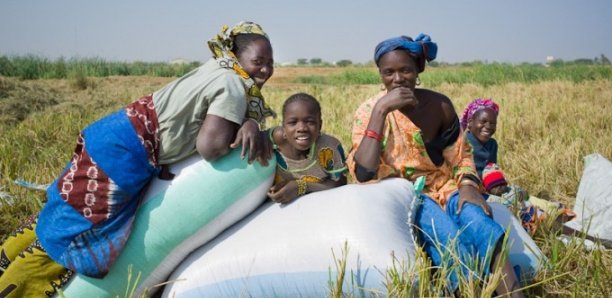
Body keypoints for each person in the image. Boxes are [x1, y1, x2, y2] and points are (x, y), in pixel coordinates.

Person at [0, 21, 275, 297]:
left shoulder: (219, 67)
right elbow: (210, 147)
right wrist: (248, 127)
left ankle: (5, 257)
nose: (265, 69)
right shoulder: (233, 85)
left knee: (65, 209)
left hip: (114, 135)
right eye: (258, 61)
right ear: (237, 57)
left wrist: (247, 120)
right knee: (75, 233)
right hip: (123, 155)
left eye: (270, 62)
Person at [346, 34, 523, 297]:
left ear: (419, 68)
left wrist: (467, 186)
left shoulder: (439, 105)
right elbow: (363, 172)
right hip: (403, 194)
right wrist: (381, 111)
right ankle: (467, 290)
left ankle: (514, 293)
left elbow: (460, 155)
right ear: (380, 74)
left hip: (445, 186)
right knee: (448, 236)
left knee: (479, 221)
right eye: (388, 72)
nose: (397, 79)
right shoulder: (369, 110)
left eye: (405, 70)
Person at [461, 98, 575, 234]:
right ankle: (542, 220)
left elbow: (491, 167)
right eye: (483, 121)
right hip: (474, 192)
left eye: (493, 123)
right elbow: (464, 176)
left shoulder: (492, 144)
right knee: (511, 205)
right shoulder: (463, 144)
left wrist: (496, 183)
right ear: (470, 123)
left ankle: (554, 211)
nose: (488, 126)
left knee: (520, 193)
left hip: (491, 188)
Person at [267, 92, 347, 204]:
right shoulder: (276, 139)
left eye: (310, 122)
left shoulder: (328, 148)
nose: (302, 128)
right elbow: (255, 137)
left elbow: (340, 184)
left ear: (320, 125)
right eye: (293, 122)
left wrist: (301, 187)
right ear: (283, 127)